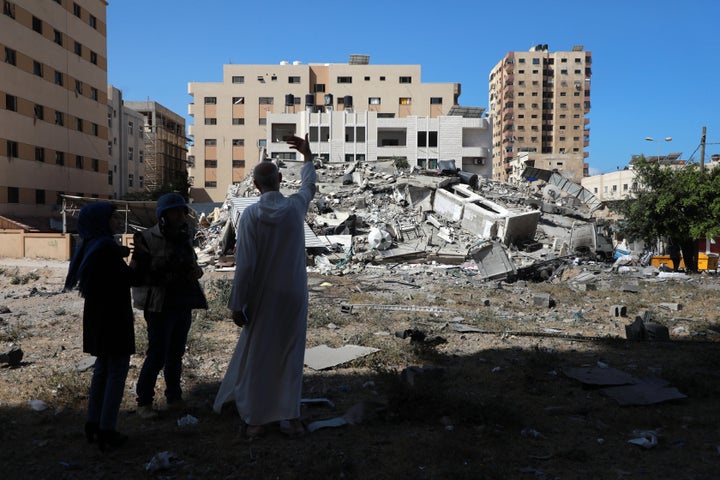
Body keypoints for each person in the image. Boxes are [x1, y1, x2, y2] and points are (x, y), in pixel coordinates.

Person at [213, 134, 316, 439]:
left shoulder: (251, 216)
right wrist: (307, 156)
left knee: (260, 355)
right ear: (281, 180)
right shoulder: (295, 207)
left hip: (263, 298)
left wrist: (237, 305)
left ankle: (256, 419)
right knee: (290, 354)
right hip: (294, 295)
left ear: (256, 186)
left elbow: (245, 266)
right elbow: (308, 186)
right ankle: (290, 416)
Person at [64, 202, 135, 451]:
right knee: (116, 372)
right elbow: (124, 280)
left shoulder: (90, 246)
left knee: (102, 370)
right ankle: (108, 429)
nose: (117, 221)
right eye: (113, 218)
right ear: (101, 222)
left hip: (98, 318)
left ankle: (93, 423)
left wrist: (120, 253)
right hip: (113, 318)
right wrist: (136, 264)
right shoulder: (105, 250)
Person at [130, 193, 207, 419]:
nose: (181, 216)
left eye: (182, 211)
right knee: (157, 354)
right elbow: (136, 276)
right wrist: (164, 272)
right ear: (164, 215)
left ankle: (174, 397)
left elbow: (193, 265)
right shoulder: (145, 238)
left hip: (182, 302)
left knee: (176, 353)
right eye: (176, 211)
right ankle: (144, 402)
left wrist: (196, 271)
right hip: (159, 305)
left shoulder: (184, 237)